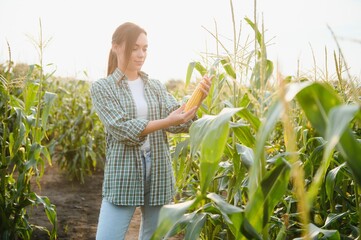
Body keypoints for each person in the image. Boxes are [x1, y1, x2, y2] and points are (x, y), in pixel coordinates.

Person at [90, 22, 212, 240]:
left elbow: (177, 122)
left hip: (158, 171)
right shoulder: (102, 88)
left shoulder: (154, 86)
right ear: (116, 46)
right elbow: (122, 128)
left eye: (145, 48)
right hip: (123, 173)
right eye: (134, 48)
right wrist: (166, 121)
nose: (140, 54)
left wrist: (198, 98)